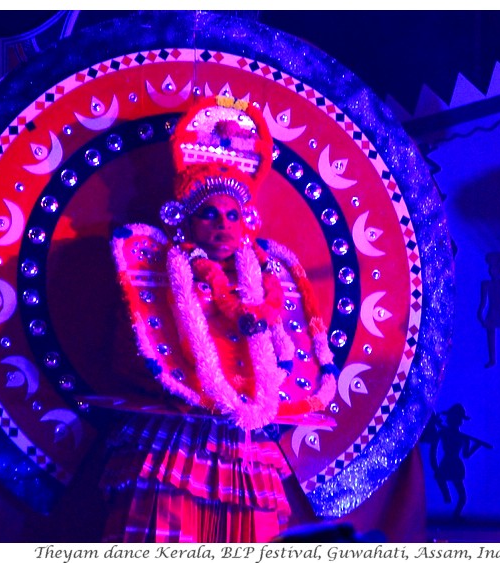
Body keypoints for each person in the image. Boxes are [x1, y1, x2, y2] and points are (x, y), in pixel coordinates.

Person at [99, 95, 337, 542]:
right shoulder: (160, 268)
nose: (222, 226)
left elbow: (286, 349)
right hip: (175, 433)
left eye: (232, 216)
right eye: (208, 214)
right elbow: (133, 352)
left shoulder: (266, 278)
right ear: (184, 221)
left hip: (245, 439)